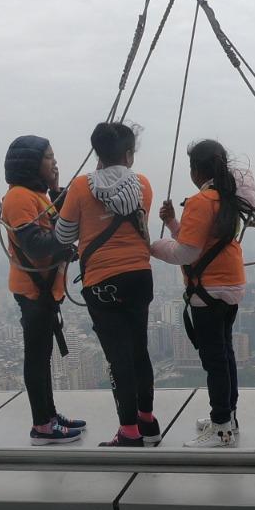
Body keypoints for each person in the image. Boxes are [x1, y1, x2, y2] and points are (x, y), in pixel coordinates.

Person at [54, 122, 160, 448]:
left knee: (118, 358)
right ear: (128, 155)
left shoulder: (80, 188)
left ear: (97, 154)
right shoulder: (142, 184)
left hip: (102, 282)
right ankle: (147, 421)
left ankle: (129, 432)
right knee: (139, 350)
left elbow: (63, 236)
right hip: (140, 277)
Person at [152, 140, 255, 447]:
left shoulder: (201, 201)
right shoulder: (227, 198)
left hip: (208, 289)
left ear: (197, 169)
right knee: (224, 355)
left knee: (215, 360)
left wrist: (152, 247)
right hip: (229, 286)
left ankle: (222, 427)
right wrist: (173, 222)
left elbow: (187, 252)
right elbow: (201, 242)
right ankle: (227, 418)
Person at [0, 134, 85, 444]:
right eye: (49, 157)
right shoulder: (19, 197)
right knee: (37, 357)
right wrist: (67, 249)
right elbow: (36, 246)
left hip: (44, 292)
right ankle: (42, 425)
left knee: (43, 355)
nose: (55, 161)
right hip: (34, 292)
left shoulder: (36, 195)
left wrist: (56, 189)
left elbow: (59, 224)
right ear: (32, 163)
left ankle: (49, 415)